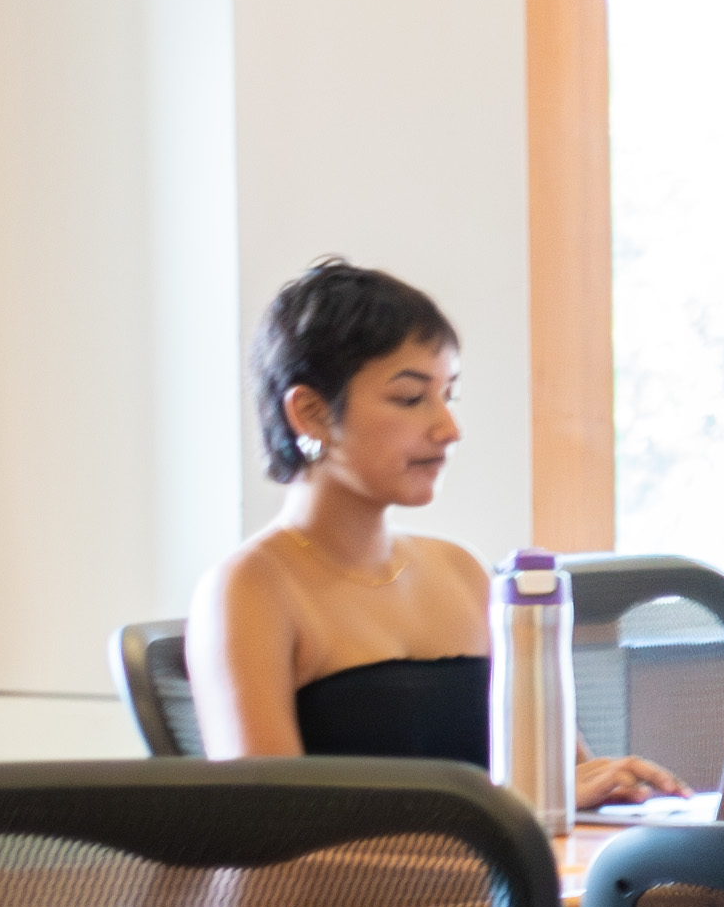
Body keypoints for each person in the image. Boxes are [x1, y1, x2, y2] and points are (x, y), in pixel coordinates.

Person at [184, 259, 676, 807]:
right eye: (410, 398)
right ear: (312, 413)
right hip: (352, 893)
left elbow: (561, 781)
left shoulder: (461, 572)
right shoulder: (248, 590)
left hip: (509, 887)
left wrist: (614, 788)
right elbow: (271, 831)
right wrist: (514, 804)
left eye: (449, 395)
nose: (448, 429)